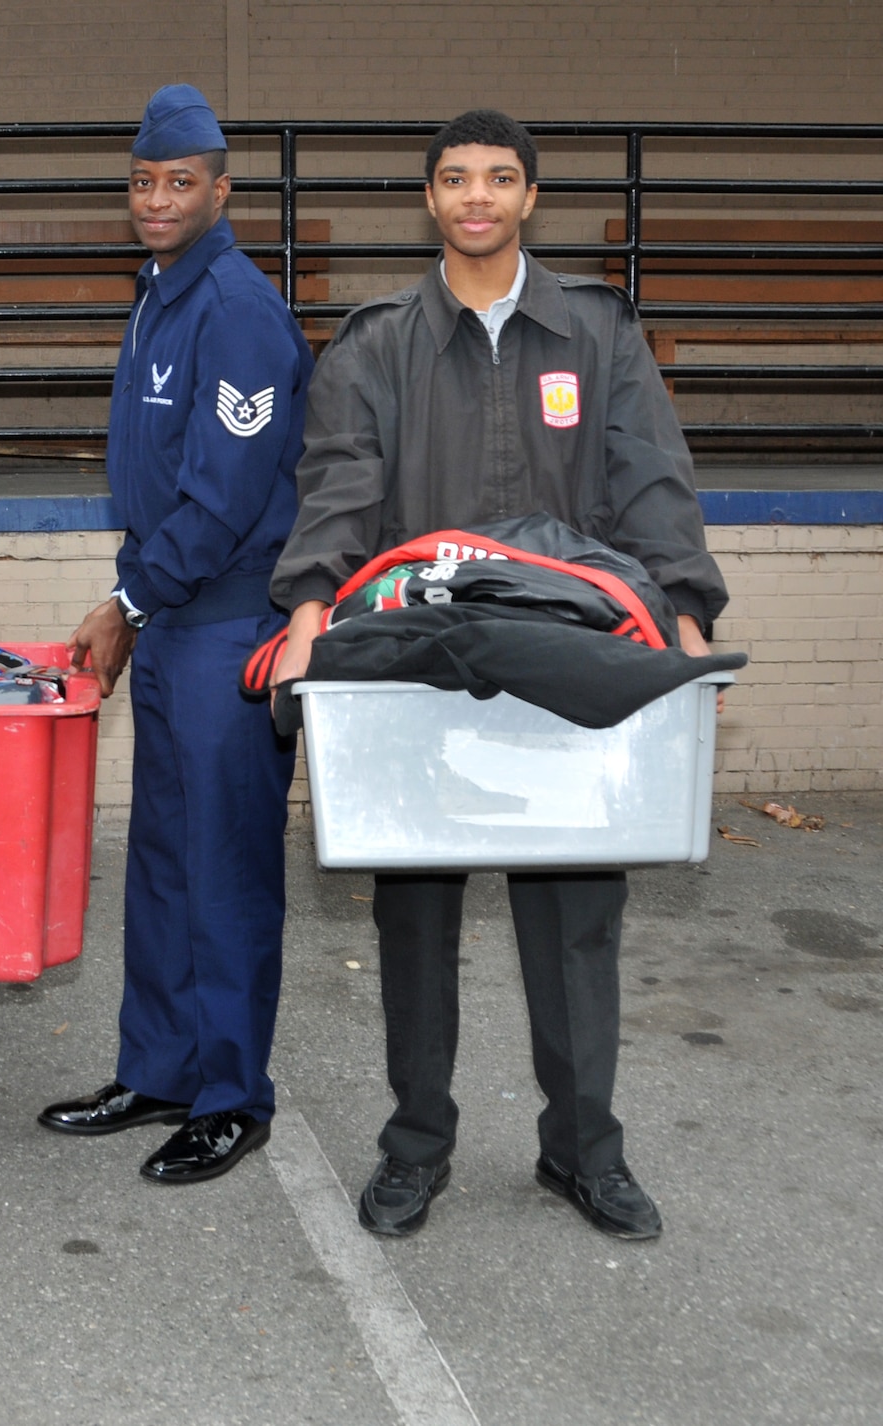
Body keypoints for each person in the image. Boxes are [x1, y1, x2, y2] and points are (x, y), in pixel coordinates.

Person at [269, 110, 730, 1241]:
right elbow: (337, 482)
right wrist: (305, 609)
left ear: (529, 197)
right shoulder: (374, 341)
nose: (475, 195)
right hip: (421, 664)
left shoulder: (596, 331)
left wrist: (681, 610)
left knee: (575, 917)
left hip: (569, 658)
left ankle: (581, 1152)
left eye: (499, 177)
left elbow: (649, 479)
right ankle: (414, 1147)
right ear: (428, 198)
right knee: (413, 914)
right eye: (453, 177)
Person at [40, 85, 314, 1184]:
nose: (157, 199)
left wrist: (128, 603)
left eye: (179, 182)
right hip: (170, 619)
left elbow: (220, 496)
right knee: (159, 861)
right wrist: (135, 597)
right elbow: (152, 487)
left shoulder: (236, 309)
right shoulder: (160, 293)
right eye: (143, 182)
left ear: (220, 189)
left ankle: (230, 1094)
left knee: (225, 870)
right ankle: (156, 1068)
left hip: (226, 626)